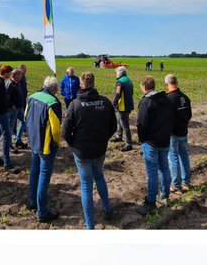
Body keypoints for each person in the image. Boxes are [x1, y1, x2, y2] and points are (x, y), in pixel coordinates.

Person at [61, 72, 118, 229]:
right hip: (99, 150)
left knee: (86, 184)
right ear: (93, 83)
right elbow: (113, 127)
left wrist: (74, 146)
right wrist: (103, 139)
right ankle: (107, 209)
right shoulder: (105, 102)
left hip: (82, 152)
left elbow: (65, 132)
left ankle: (90, 226)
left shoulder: (75, 104)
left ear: (81, 84)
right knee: (99, 176)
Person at [24, 75, 64, 222]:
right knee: (44, 177)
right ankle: (42, 211)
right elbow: (55, 129)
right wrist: (57, 142)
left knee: (34, 171)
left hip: (33, 141)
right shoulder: (53, 102)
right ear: (54, 88)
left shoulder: (32, 96)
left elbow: (25, 116)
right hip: (46, 146)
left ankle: (32, 202)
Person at [134, 75, 174, 214]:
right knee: (164, 167)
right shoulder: (166, 99)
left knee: (152, 172)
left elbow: (141, 123)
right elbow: (171, 118)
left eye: (141, 87)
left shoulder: (146, 101)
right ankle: (165, 194)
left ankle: (150, 203)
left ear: (145, 87)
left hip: (151, 142)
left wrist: (142, 139)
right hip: (165, 139)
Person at [165, 73, 194, 192]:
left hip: (173, 133)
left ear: (167, 84)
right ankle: (186, 182)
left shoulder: (168, 99)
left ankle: (176, 185)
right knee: (184, 156)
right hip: (183, 131)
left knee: (173, 158)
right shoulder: (185, 97)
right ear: (176, 83)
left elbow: (167, 118)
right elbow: (189, 115)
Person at [0, 65, 18, 170]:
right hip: (0, 114)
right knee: (7, 136)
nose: (11, 74)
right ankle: (7, 163)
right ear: (5, 73)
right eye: (10, 72)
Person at [110, 66, 134, 149]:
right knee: (119, 121)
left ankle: (128, 143)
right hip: (129, 105)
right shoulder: (129, 80)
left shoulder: (120, 82)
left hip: (122, 106)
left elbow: (117, 94)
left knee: (124, 124)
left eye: (116, 72)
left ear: (120, 72)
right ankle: (119, 136)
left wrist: (113, 103)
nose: (116, 74)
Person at [6, 69, 27, 153]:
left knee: (24, 122)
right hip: (13, 110)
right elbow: (6, 97)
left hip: (20, 107)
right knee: (10, 127)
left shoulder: (17, 83)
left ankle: (18, 140)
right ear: (16, 75)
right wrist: (12, 106)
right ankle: (9, 144)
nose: (21, 77)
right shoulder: (10, 84)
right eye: (20, 75)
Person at [13, 63, 30, 148]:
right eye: (25, 69)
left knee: (23, 121)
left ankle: (18, 140)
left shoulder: (22, 78)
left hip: (20, 104)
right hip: (16, 106)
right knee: (12, 123)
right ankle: (13, 139)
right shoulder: (14, 83)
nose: (26, 71)